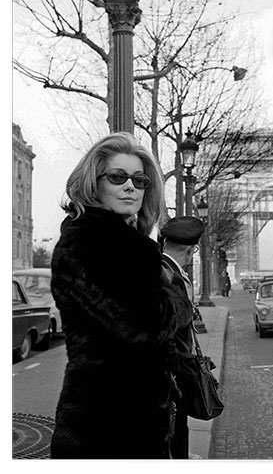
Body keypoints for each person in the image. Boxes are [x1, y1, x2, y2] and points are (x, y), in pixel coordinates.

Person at [49, 132, 191, 459]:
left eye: (140, 180)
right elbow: (146, 324)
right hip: (103, 429)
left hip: (134, 424)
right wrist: (177, 296)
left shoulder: (125, 246)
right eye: (117, 176)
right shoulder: (86, 245)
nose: (130, 186)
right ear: (93, 183)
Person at [159, 216, 205, 459]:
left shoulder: (159, 267)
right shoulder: (171, 277)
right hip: (173, 369)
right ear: (191, 251)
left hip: (170, 367)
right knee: (176, 426)